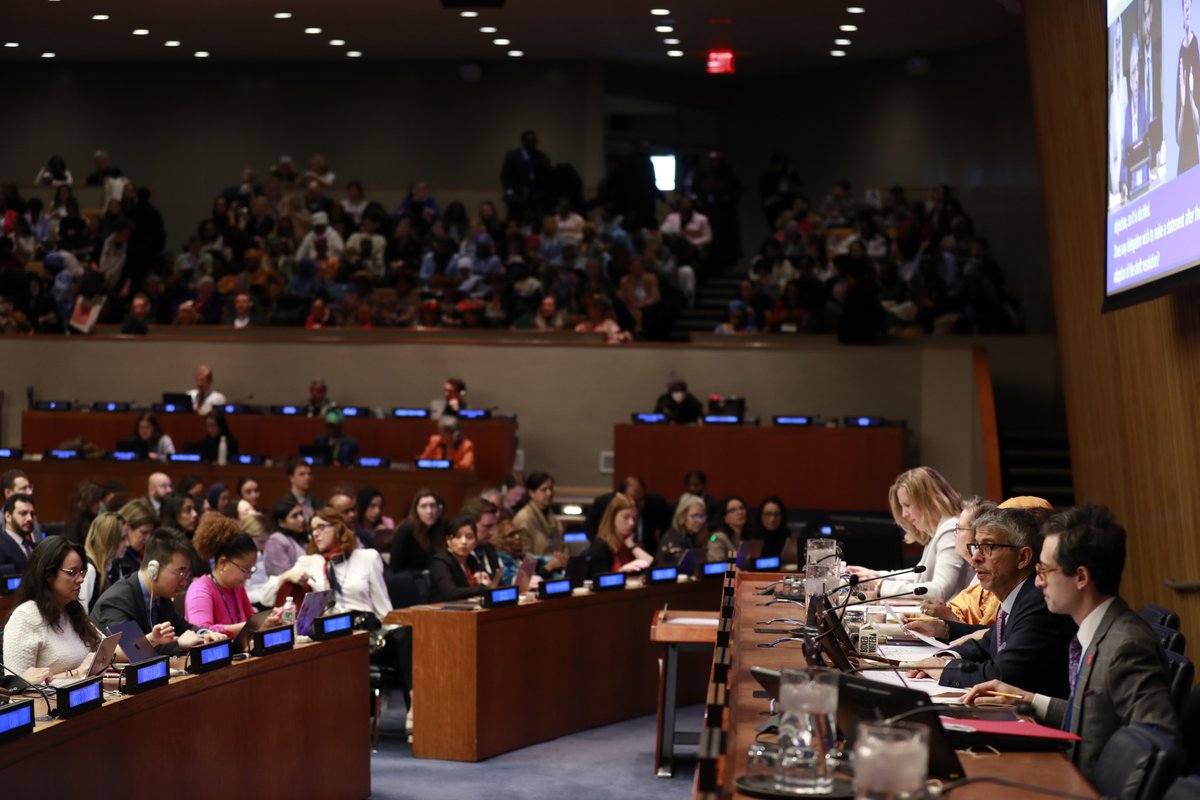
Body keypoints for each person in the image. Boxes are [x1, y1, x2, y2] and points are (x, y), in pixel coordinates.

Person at [960, 505, 1178, 784]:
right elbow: (1099, 718)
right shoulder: (1093, 632)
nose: (1038, 583)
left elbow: (1158, 743)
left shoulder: (1126, 645)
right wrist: (1030, 700)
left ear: (1081, 577)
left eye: (1045, 570)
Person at [906, 508, 1077, 698]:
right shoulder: (1015, 596)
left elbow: (1002, 674)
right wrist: (944, 658)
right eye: (976, 546)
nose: (976, 557)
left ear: (1022, 558)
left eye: (989, 547)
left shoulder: (1038, 601)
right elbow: (986, 644)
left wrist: (946, 669)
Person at [848, 467, 973, 603]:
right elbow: (919, 576)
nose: (904, 514)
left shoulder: (950, 529)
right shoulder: (940, 529)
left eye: (907, 505)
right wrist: (875, 576)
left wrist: (881, 586)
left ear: (929, 500)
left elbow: (939, 590)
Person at [92, 529, 221, 656]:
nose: (183, 582)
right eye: (180, 573)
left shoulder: (162, 597)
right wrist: (178, 644)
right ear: (154, 569)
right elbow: (130, 650)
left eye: (187, 574)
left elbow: (185, 628)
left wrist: (205, 634)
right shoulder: (117, 601)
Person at [2, 536, 104, 686]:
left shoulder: (72, 609)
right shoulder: (25, 617)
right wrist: (76, 673)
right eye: (72, 572)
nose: (81, 579)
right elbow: (16, 689)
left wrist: (150, 640)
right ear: (48, 575)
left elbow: (107, 650)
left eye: (81, 572)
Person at [913, 496, 1002, 627]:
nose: (955, 534)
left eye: (959, 528)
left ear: (976, 532)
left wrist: (948, 617)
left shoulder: (992, 580)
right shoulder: (977, 575)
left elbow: (987, 636)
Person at [291, 508, 391, 623]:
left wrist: (391, 632)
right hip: (328, 630)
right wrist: (287, 576)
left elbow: (383, 606)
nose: (315, 533)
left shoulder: (367, 557)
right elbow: (265, 597)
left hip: (362, 626)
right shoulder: (308, 562)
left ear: (338, 528)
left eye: (321, 527)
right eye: (312, 530)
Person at [186, 512, 274, 638]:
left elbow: (252, 620)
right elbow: (201, 633)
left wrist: (269, 620)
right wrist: (252, 626)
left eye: (251, 569)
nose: (248, 577)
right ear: (223, 563)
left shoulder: (237, 586)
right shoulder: (199, 590)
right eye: (245, 569)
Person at [585, 476, 670, 550]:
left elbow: (666, 529)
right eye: (633, 498)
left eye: (641, 499)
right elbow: (589, 527)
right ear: (621, 496)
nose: (636, 503)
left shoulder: (656, 503)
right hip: (614, 549)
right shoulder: (605, 503)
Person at [586, 494, 653, 580]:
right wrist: (622, 572)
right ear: (612, 517)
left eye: (635, 518)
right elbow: (598, 585)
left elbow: (654, 568)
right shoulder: (600, 547)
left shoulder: (630, 543)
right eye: (626, 517)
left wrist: (632, 546)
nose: (631, 523)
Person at [429, 516, 494, 601]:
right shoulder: (440, 562)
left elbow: (492, 581)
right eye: (458, 536)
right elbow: (451, 593)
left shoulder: (471, 560)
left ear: (475, 541)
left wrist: (487, 579)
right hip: (441, 610)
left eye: (469, 537)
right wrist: (481, 588)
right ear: (448, 540)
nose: (464, 542)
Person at [389, 489, 447, 577]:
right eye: (423, 506)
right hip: (411, 581)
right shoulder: (405, 530)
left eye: (433, 506)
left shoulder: (441, 528)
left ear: (439, 509)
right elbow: (395, 567)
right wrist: (423, 573)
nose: (429, 511)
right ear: (416, 510)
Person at [81, 513, 128, 612]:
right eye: (122, 539)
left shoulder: (114, 566)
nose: (127, 544)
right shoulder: (89, 569)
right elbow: (81, 614)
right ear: (109, 540)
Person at [512, 471, 564, 555]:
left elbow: (561, 547)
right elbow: (525, 555)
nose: (549, 493)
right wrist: (546, 567)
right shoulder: (524, 518)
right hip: (534, 567)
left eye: (550, 488)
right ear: (531, 493)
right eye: (544, 490)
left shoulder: (551, 517)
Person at [655, 494, 708, 566]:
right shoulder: (672, 539)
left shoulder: (692, 536)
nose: (700, 521)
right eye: (695, 516)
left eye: (702, 516)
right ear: (682, 516)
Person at [1178, 0, 1200, 174]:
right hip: (1182, 157)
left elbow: (1198, 127)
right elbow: (1178, 138)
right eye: (1183, 7)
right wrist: (1184, 103)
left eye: (1188, 8)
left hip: (1194, 153)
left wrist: (1191, 97)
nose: (1186, 11)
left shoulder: (1195, 46)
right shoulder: (1180, 53)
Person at [461, 497, 502, 583]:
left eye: (494, 526)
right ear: (469, 525)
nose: (492, 532)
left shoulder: (489, 548)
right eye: (487, 526)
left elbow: (498, 584)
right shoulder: (458, 555)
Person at [113, 498, 157, 576]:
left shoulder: (143, 553)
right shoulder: (116, 556)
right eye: (144, 532)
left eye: (151, 533)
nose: (148, 538)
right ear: (126, 527)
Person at [0, 494, 37, 574]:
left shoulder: (34, 547)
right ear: (8, 516)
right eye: (23, 513)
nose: (29, 518)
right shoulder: (1, 546)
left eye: (32, 514)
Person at [62, 479, 104, 545]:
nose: (99, 505)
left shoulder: (94, 521)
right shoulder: (74, 526)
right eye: (96, 501)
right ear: (88, 502)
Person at [707, 496, 749, 562]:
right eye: (733, 510)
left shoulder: (749, 536)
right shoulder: (716, 538)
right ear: (725, 518)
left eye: (742, 508)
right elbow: (717, 566)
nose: (740, 512)